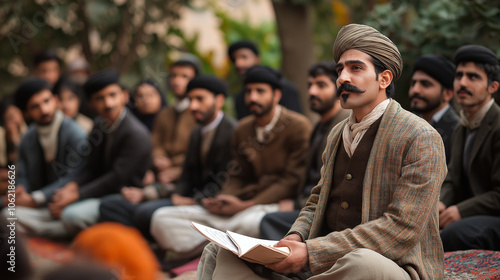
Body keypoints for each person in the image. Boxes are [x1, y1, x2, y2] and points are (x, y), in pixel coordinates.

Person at [197, 24, 447, 280]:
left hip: (392, 266)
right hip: (325, 265)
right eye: (340, 69)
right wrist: (295, 239)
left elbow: (401, 228)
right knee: (220, 251)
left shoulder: (420, 137)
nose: (343, 78)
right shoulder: (337, 133)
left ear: (384, 79)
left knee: (363, 262)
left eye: (356, 68)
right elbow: (317, 200)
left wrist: (310, 252)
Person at [150, 65, 312, 260]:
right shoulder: (243, 128)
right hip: (239, 205)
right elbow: (237, 173)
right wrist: (223, 199)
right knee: (162, 218)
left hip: (269, 205)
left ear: (276, 95)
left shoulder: (298, 126)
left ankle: (211, 245)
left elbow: (291, 181)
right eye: (249, 91)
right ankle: (222, 245)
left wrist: (246, 205)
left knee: (252, 224)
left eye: (260, 91)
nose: (253, 97)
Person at [99, 75, 236, 241]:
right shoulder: (197, 132)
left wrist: (193, 201)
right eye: (190, 99)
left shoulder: (233, 132)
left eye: (200, 99)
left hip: (209, 205)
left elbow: (226, 181)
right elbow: (187, 175)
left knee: (146, 213)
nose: (193, 106)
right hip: (181, 196)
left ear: (219, 100)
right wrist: (177, 195)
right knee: (110, 205)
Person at [48, 70, 152, 236]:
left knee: (71, 215)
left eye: (112, 95)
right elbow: (91, 167)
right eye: (100, 98)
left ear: (124, 96)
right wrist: (72, 187)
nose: (108, 103)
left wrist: (76, 195)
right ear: (91, 103)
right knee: (56, 203)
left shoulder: (136, 134)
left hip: (120, 198)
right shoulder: (99, 125)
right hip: (99, 192)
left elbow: (116, 179)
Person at [260, 61, 350, 240]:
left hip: (323, 211)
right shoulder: (319, 126)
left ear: (339, 88)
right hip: (305, 204)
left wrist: (296, 204)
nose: (312, 92)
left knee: (267, 221)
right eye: (310, 86)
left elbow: (334, 182)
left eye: (321, 85)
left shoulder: (344, 124)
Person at [0, 78, 87, 237]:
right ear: (26, 112)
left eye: (47, 101)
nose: (44, 109)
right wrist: (21, 191)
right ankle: (57, 232)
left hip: (68, 204)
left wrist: (36, 199)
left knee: (73, 217)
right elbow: (23, 175)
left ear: (55, 100)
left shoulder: (76, 134)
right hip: (40, 209)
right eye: (35, 106)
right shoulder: (28, 138)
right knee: (7, 216)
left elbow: (74, 177)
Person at [439, 44, 500, 251]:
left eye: (473, 77)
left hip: (494, 217)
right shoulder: (461, 128)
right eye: (459, 76)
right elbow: (452, 176)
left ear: (493, 87)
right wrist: (440, 204)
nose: (462, 83)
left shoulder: (498, 125)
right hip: (472, 215)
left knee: (452, 235)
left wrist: (461, 211)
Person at [152, 57, 199, 185]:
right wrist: (159, 159)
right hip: (159, 172)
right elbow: (156, 143)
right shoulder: (164, 113)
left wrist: (173, 164)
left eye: (185, 76)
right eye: (173, 76)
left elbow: (199, 153)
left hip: (186, 176)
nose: (177, 81)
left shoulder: (199, 115)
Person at [228, 40, 303, 119]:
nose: (238, 63)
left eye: (244, 57)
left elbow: (294, 121)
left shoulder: (284, 88)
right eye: (234, 59)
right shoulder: (240, 97)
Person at [409, 54, 459, 163]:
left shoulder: (458, 130)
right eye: (413, 83)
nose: (415, 90)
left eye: (425, 84)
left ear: (448, 94)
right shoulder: (405, 124)